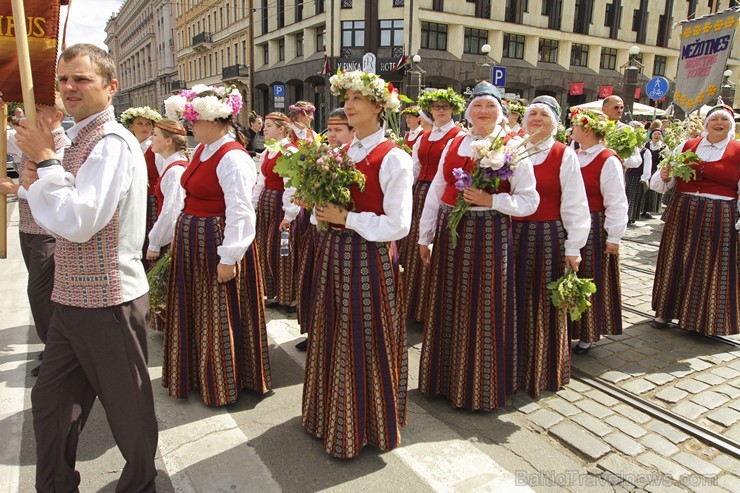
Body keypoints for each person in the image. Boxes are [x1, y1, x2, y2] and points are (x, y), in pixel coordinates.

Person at [13, 43, 158, 493]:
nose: (69, 88)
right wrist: (42, 166)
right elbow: (57, 208)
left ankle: (139, 485)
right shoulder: (79, 138)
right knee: (51, 400)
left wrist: (48, 161)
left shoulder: (112, 141)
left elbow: (80, 220)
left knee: (128, 411)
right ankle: (56, 485)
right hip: (71, 296)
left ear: (111, 87)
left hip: (109, 298)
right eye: (63, 80)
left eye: (81, 79)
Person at [303, 70, 413, 458]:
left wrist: (345, 219)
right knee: (333, 330)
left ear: (378, 107)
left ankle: (364, 423)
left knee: (362, 336)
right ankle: (330, 414)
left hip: (368, 259)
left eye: (357, 100)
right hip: (335, 252)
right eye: (346, 99)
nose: (348, 106)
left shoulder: (394, 157)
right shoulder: (345, 152)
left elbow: (399, 225)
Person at [417, 81, 539, 411]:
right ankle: (445, 379)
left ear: (501, 112)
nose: (483, 112)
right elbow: (437, 188)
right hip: (451, 228)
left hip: (489, 232)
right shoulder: (456, 141)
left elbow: (530, 200)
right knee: (449, 301)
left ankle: (481, 385)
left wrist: (492, 199)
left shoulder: (514, 146)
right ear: (469, 111)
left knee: (484, 304)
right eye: (478, 107)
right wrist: (424, 235)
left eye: (490, 107)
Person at [162, 83, 271, 406]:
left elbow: (241, 211)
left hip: (216, 239)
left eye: (195, 119)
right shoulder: (201, 150)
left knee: (219, 310)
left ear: (214, 119)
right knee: (198, 309)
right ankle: (198, 372)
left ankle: (224, 381)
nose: (189, 124)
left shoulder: (232, 157)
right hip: (195, 239)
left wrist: (229, 256)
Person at [512, 96, 590, 397]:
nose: (536, 119)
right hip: (511, 233)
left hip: (546, 236)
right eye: (532, 114)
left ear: (555, 122)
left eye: (543, 115)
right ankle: (511, 365)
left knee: (542, 300)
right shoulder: (513, 148)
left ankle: (541, 367)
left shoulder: (563, 155)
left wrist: (574, 246)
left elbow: (575, 202)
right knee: (513, 298)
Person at [650, 105, 739, 335]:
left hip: (719, 213)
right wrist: (665, 175)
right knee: (674, 257)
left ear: (731, 126)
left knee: (711, 264)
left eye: (724, 120)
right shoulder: (687, 146)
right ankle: (665, 311)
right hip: (683, 208)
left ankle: (704, 320)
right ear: (707, 124)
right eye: (714, 119)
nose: (719, 123)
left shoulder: (737, 151)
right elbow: (664, 178)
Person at [0, 92, 71, 377]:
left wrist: (15, 189)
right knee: (41, 295)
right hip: (28, 228)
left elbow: (55, 191)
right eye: (30, 111)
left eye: (39, 111)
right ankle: (54, 347)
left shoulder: (64, 146)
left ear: (57, 115)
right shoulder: (27, 139)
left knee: (42, 295)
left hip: (48, 232)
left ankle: (57, 353)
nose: (31, 117)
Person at [400, 88, 465, 323]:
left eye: (445, 107)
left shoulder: (459, 136)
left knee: (436, 245)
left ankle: (429, 307)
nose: (440, 111)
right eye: (436, 107)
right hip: (421, 194)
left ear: (452, 110)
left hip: (442, 194)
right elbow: (415, 168)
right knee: (416, 241)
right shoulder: (423, 137)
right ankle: (412, 303)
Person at [568, 109, 628, 354]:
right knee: (570, 276)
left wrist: (614, 236)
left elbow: (616, 200)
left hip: (594, 224)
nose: (571, 129)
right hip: (571, 220)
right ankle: (570, 327)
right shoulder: (574, 154)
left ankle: (588, 333)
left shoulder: (607, 159)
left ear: (587, 129)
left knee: (590, 277)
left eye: (574, 125)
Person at [252, 112, 301, 312]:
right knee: (266, 249)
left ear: (281, 129)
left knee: (283, 250)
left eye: (269, 125)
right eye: (265, 125)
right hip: (266, 208)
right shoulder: (268, 152)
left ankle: (289, 297)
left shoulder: (290, 152)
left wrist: (288, 215)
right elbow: (260, 182)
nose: (265, 128)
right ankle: (273, 292)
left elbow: (292, 187)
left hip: (281, 209)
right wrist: (252, 205)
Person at [144, 119, 189, 331]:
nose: (151, 139)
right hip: (169, 235)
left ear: (169, 141)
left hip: (171, 237)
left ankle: (174, 328)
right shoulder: (171, 165)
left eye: (155, 135)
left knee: (170, 284)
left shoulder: (175, 171)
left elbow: (173, 211)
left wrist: (155, 243)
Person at [120, 105, 162, 267]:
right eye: (140, 124)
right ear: (131, 126)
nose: (145, 128)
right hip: (133, 197)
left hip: (151, 199)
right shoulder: (128, 146)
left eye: (148, 124)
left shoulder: (155, 148)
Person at [602, 95, 642, 170]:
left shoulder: (627, 130)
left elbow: (637, 160)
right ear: (604, 109)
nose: (619, 111)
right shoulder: (593, 127)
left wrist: (621, 158)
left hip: (616, 176)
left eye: (621, 107)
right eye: (616, 107)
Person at [624, 124, 653, 224]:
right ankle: (625, 216)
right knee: (626, 196)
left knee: (634, 197)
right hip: (628, 176)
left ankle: (630, 217)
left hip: (637, 177)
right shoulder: (629, 149)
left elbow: (647, 165)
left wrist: (645, 177)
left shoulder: (646, 151)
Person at [641, 128, 665, 218]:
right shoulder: (646, 145)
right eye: (655, 134)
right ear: (651, 135)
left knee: (653, 191)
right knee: (645, 190)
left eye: (659, 134)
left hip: (656, 170)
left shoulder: (663, 147)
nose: (657, 136)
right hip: (647, 169)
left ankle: (650, 210)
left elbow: (666, 159)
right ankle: (642, 209)